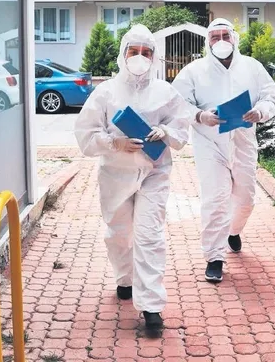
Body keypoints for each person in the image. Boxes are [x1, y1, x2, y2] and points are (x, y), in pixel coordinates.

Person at [74, 24, 191, 330]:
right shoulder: (105, 92)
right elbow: (85, 135)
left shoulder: (165, 92)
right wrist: (114, 143)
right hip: (115, 174)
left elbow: (181, 128)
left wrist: (165, 131)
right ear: (123, 54)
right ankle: (124, 277)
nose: (140, 57)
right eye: (134, 51)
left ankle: (151, 307)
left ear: (154, 56)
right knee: (118, 234)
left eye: (146, 52)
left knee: (149, 235)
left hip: (154, 173)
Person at [172, 18, 275, 283]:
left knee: (246, 199)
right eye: (214, 36)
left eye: (225, 35)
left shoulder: (252, 67)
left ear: (234, 38)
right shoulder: (194, 71)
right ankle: (214, 257)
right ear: (207, 42)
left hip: (243, 141)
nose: (220, 41)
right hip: (209, 143)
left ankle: (233, 230)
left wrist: (260, 112)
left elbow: (271, 96)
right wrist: (200, 116)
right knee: (215, 199)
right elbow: (178, 103)